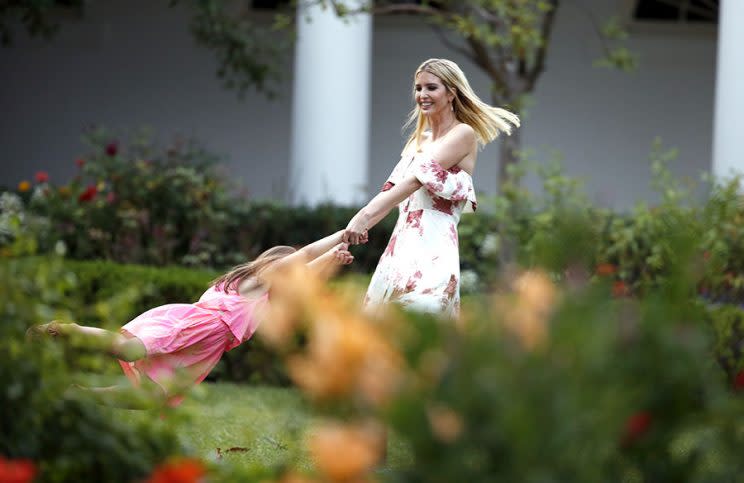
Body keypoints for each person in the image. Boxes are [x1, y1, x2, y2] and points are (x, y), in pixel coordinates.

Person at [26, 231, 361, 408]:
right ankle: (63, 330)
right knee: (129, 349)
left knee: (151, 397)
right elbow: (300, 260)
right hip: (193, 327)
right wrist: (342, 236)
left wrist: (333, 258)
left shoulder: (269, 296)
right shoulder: (258, 279)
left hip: (204, 348)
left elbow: (302, 279)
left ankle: (81, 395)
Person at [343, 58, 519, 318]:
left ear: (451, 93)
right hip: (399, 252)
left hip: (433, 254)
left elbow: (415, 181)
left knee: (420, 333)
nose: (422, 95)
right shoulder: (418, 141)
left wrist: (364, 216)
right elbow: (390, 195)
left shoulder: (463, 134)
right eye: (418, 88)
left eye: (431, 88)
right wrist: (349, 233)